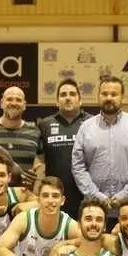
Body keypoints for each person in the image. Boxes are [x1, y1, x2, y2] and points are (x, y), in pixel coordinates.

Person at [71, 75, 128, 230]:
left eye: (114, 94)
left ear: (122, 98)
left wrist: (124, 195)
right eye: (104, 94)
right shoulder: (86, 127)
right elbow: (78, 166)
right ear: (98, 96)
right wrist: (96, 196)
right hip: (95, 209)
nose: (109, 98)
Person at [34, 78, 92, 218]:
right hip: (55, 196)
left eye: (72, 94)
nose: (68, 98)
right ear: (56, 101)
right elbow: (39, 161)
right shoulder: (45, 124)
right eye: (63, 95)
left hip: (86, 194)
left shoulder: (92, 122)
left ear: (80, 100)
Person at [0, 86, 40, 177]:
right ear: (1, 103)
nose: (14, 103)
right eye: (9, 99)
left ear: (24, 105)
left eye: (18, 100)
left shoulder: (36, 132)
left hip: (25, 186)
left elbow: (40, 165)